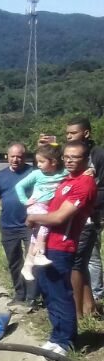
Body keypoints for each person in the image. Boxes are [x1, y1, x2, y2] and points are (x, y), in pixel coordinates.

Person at [29, 140, 98, 355]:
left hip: (62, 246)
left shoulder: (84, 184)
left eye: (75, 157)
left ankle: (66, 341)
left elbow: (60, 217)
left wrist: (33, 217)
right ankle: (56, 335)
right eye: (66, 156)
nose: (69, 160)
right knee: (49, 292)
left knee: (61, 293)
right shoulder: (68, 180)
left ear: (86, 159)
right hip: (46, 244)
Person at [0, 143, 39, 308]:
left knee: (31, 261)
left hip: (30, 225)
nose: (15, 159)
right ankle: (19, 294)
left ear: (24, 157)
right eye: (12, 156)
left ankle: (32, 298)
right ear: (7, 156)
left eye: (19, 156)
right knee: (14, 261)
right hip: (8, 225)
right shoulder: (1, 176)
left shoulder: (33, 173)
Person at [62, 118, 104, 318]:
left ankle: (81, 309)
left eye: (73, 133)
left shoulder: (99, 155)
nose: (69, 136)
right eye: (67, 134)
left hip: (90, 217)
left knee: (84, 261)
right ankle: (90, 307)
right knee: (82, 261)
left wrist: (86, 202)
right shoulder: (70, 156)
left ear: (86, 133)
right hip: (72, 217)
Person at [12, 145, 66, 278]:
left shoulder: (62, 173)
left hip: (48, 207)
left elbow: (76, 173)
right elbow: (19, 186)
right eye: (38, 162)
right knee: (45, 223)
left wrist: (89, 171)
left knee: (35, 235)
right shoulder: (37, 174)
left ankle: (27, 266)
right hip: (36, 205)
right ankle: (40, 253)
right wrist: (24, 200)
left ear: (53, 162)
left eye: (42, 162)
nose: (39, 165)